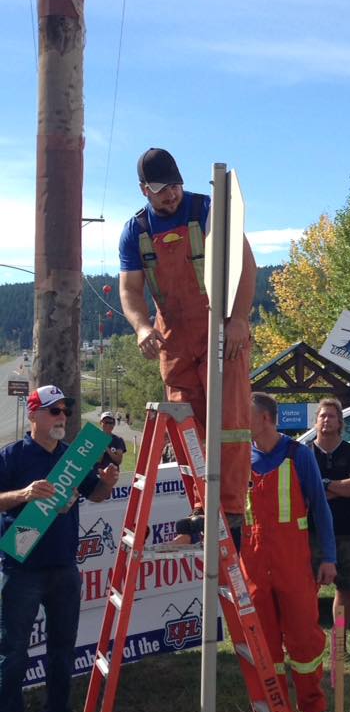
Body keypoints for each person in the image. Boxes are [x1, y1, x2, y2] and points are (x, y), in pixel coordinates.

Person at [118, 147, 256, 547]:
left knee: (228, 421)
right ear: (145, 189)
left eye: (175, 186)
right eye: (161, 190)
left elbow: (246, 264)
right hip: (173, 337)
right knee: (186, 428)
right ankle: (201, 507)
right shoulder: (135, 231)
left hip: (220, 328)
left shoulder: (208, 209)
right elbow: (130, 290)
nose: (171, 195)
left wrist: (240, 319)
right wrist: (142, 327)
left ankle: (229, 511)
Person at [0, 386, 119, 712]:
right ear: (33, 415)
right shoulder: (13, 456)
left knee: (63, 645)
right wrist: (23, 495)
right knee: (13, 649)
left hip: (64, 565)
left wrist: (108, 485)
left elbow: (94, 494)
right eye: (53, 412)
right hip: (21, 566)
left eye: (65, 412)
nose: (62, 418)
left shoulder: (73, 457)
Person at [240, 392, 337, 712]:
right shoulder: (239, 458)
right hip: (253, 567)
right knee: (264, 646)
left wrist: (328, 557)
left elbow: (321, 511)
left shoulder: (299, 455)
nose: (239, 420)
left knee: (304, 642)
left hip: (294, 566)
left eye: (245, 414)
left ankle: (313, 707)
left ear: (265, 418)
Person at [309, 397, 350, 627]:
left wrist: (322, 486)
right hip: (310, 531)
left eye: (331, 416)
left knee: (345, 587)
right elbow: (301, 492)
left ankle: (339, 639)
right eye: (322, 415)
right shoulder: (303, 453)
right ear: (315, 422)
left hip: (346, 531)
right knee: (306, 588)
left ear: (340, 422)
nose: (326, 420)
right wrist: (340, 488)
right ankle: (305, 637)